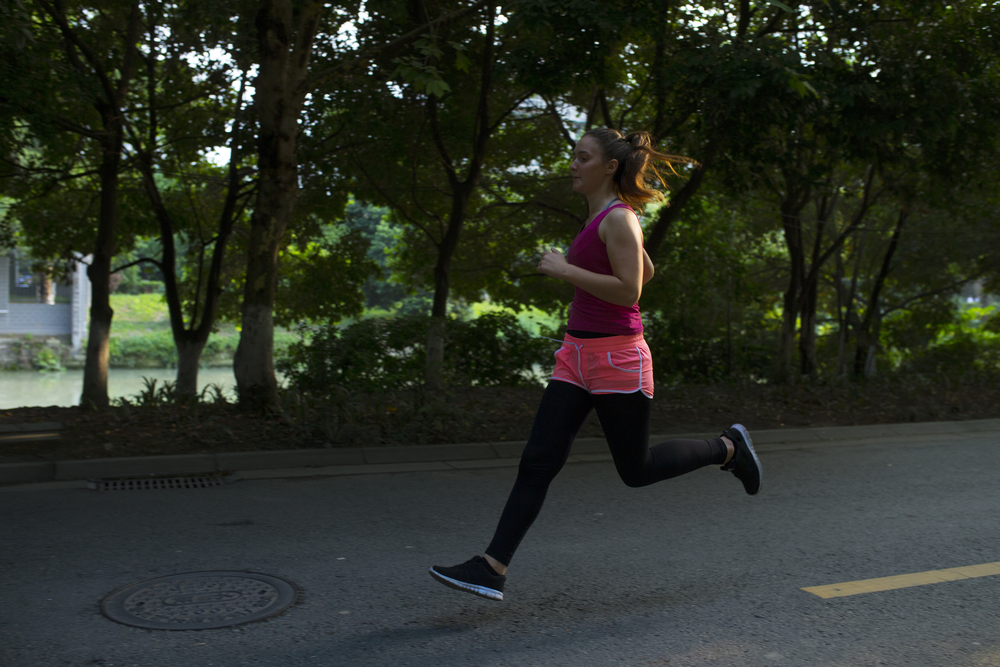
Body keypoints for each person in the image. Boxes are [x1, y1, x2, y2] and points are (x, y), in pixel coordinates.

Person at [429, 128, 762, 602]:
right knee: (538, 461)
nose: (573, 164)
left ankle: (727, 448)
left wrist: (565, 269)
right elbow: (646, 270)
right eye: (573, 156)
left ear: (609, 167)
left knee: (636, 469)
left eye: (583, 157)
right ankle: (491, 567)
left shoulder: (618, 219)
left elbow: (631, 291)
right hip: (576, 356)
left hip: (617, 359)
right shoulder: (605, 219)